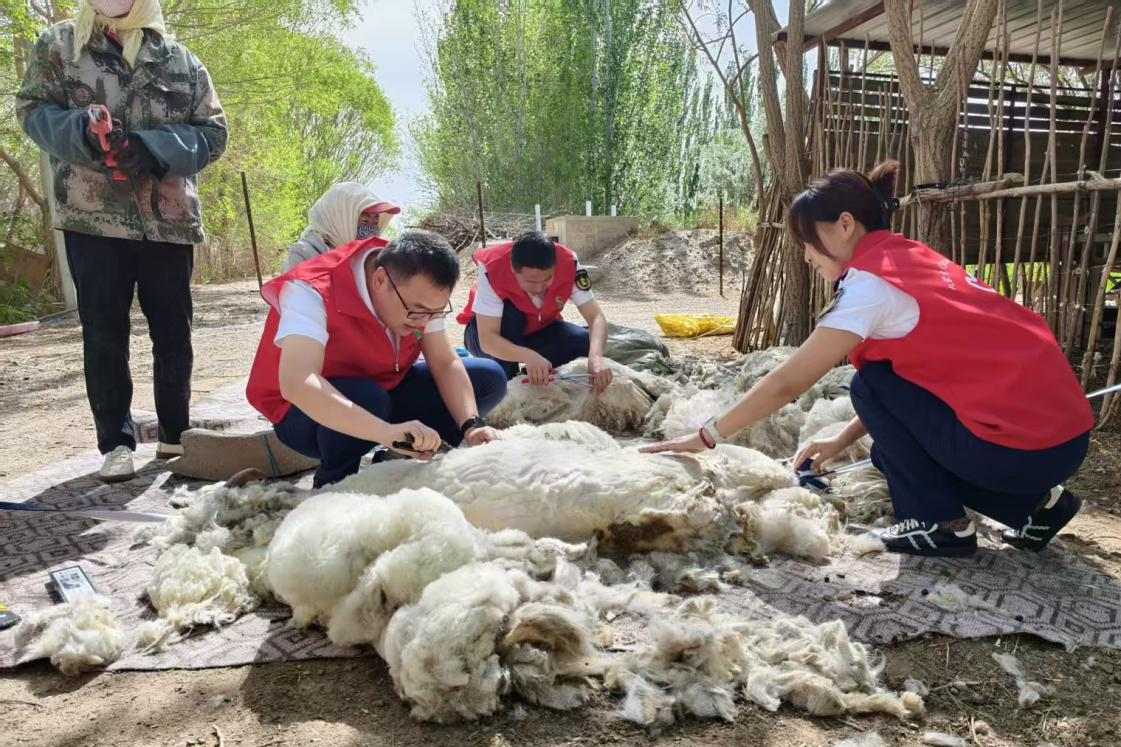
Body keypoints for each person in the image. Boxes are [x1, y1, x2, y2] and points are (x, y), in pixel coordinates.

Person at [643, 160, 1093, 558]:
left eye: (807, 240)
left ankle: (941, 526)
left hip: (1019, 449)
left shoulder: (869, 285)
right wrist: (841, 440)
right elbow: (911, 393)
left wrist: (707, 436)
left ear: (843, 224)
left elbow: (791, 382)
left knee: (868, 384)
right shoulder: (912, 258)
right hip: (1061, 441)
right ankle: (1039, 508)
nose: (805, 255)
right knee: (888, 454)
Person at [16, 0, 227, 482]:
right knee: (104, 335)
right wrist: (83, 135)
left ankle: (176, 436)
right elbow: (32, 110)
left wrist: (153, 149)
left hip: (168, 220)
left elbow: (213, 132)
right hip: (92, 219)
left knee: (174, 333)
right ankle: (116, 444)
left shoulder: (180, 58)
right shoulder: (61, 45)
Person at [246, 231, 508, 488]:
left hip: (381, 392)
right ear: (380, 280)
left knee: (488, 378)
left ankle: (401, 458)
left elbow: (444, 362)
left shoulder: (416, 292)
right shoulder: (311, 290)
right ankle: (335, 485)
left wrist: (472, 426)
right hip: (304, 414)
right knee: (368, 397)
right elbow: (298, 383)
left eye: (435, 312)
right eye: (417, 312)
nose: (425, 322)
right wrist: (384, 432)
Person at [457, 231, 614, 393]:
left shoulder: (569, 263)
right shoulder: (492, 268)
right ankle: (508, 383)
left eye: (548, 279)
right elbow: (488, 339)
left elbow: (595, 317)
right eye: (530, 282)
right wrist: (527, 356)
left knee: (582, 340)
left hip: (534, 332)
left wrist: (596, 358)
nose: (539, 288)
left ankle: (537, 373)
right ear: (513, 268)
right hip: (487, 337)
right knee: (511, 314)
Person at [282, 182, 400, 272]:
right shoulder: (303, 254)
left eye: (375, 222)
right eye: (364, 221)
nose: (370, 230)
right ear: (340, 220)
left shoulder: (370, 259)